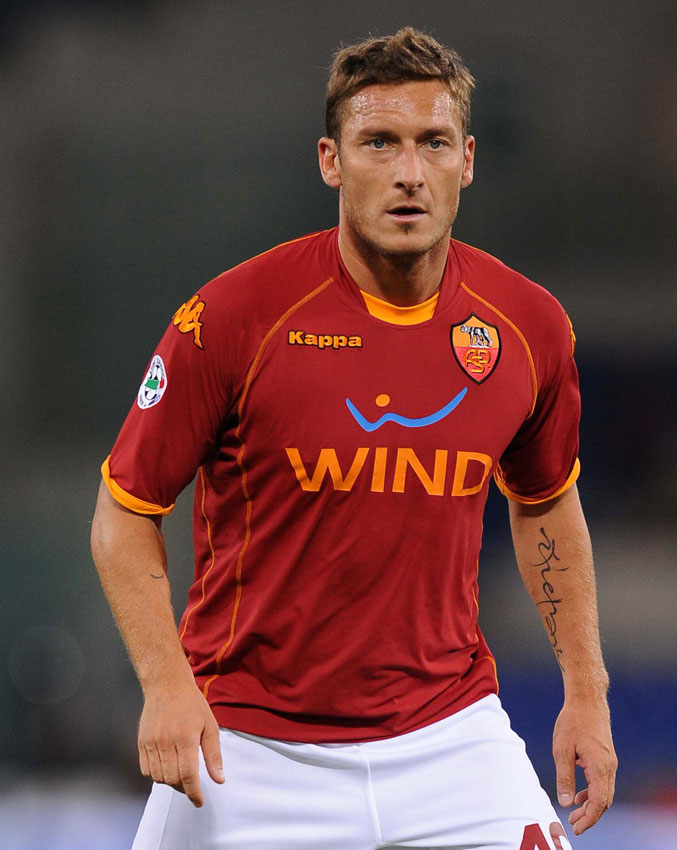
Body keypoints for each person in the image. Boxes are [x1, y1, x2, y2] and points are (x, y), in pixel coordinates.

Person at [91, 26, 616, 850]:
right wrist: (164, 685)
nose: (408, 172)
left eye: (431, 142)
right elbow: (124, 513)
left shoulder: (527, 326)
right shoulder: (232, 317)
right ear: (330, 161)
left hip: (451, 738)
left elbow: (545, 504)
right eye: (379, 143)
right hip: (250, 748)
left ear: (466, 160)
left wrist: (585, 689)